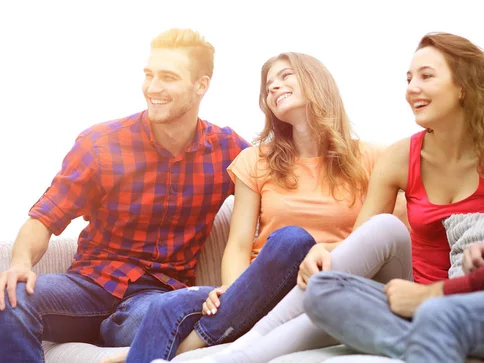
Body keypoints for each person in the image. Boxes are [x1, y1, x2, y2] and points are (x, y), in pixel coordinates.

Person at [193, 32, 484, 363]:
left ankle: (237, 353)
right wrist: (322, 252)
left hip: (466, 298)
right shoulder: (400, 157)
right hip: (404, 293)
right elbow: (364, 242)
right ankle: (243, 348)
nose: (411, 88)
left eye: (426, 76)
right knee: (382, 230)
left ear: (463, 86)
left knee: (336, 293)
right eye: (408, 79)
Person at [305, 0, 484, 362]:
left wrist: (436, 294)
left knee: (438, 314)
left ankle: (440, 335)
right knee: (324, 289)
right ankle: (444, 343)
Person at [120, 52, 390, 363]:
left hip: (325, 281)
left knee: (294, 240)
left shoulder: (371, 159)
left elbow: (380, 238)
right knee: (164, 306)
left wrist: (326, 249)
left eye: (286, 76)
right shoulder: (256, 160)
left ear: (317, 82)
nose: (274, 87)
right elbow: (238, 244)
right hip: (262, 288)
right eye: (268, 85)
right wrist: (232, 291)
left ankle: (194, 346)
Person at [0, 28, 250, 363]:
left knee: (181, 305)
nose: (153, 88)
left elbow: (277, 185)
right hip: (88, 288)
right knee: (10, 295)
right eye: (149, 75)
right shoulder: (101, 143)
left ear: (201, 85)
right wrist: (20, 263)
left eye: (168, 77)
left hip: (153, 301)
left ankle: (127, 342)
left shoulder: (228, 150)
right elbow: (45, 216)